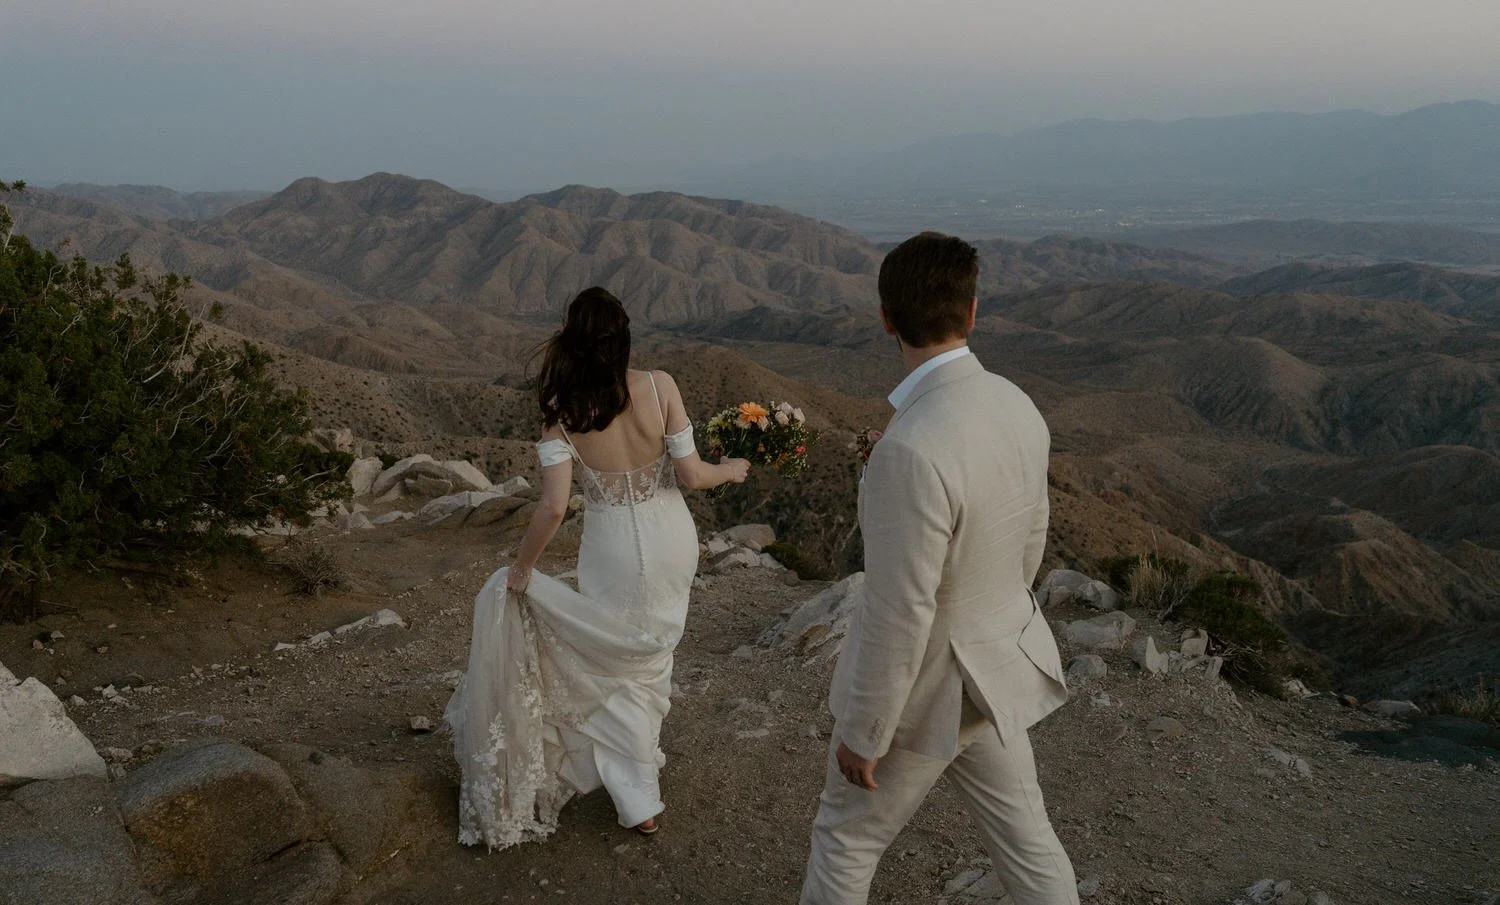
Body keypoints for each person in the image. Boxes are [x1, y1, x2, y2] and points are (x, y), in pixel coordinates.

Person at [800, 233, 1078, 904]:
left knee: (844, 843)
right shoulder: (1016, 403)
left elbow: (902, 609)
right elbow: (1030, 540)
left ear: (886, 318)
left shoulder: (912, 447)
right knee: (1029, 842)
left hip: (927, 693)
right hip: (993, 669)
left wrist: (866, 732)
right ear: (973, 311)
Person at [444, 286, 749, 848]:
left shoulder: (561, 417)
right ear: (623, 336)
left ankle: (637, 791)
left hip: (609, 550)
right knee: (651, 656)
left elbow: (555, 507)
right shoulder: (661, 387)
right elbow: (691, 476)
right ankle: (638, 790)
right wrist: (732, 469)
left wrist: (522, 569)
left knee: (616, 664)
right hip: (670, 540)